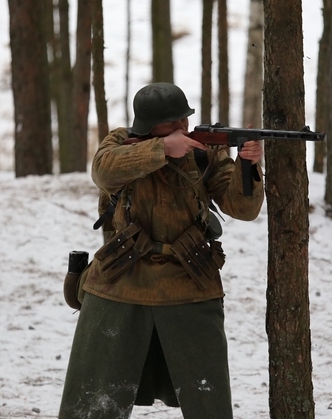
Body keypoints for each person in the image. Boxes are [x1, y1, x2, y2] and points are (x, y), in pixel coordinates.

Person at [57, 82, 264, 419]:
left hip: (188, 280)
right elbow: (103, 171)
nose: (183, 127)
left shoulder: (204, 152)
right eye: (172, 123)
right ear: (149, 126)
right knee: (90, 403)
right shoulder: (121, 142)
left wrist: (248, 165)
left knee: (208, 403)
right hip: (121, 277)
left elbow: (243, 209)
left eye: (184, 120)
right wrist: (163, 149)